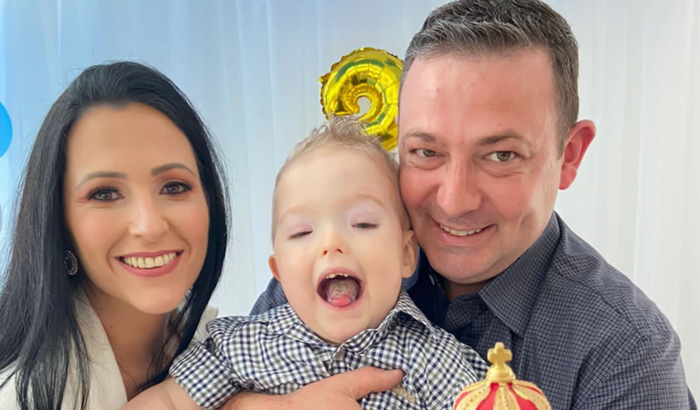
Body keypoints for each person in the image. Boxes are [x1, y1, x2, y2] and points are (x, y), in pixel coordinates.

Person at [243, 1, 697, 409]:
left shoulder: (627, 355)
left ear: (570, 155)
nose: (454, 201)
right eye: (426, 152)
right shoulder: (330, 266)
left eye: (501, 156)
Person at [122, 116, 487, 410]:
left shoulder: (434, 359)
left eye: (362, 224)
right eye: (301, 232)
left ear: (406, 254)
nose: (331, 244)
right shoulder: (242, 346)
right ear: (279, 272)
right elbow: (168, 402)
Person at [0, 61, 230, 410]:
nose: (149, 226)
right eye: (105, 193)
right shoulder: (25, 397)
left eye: (174, 186)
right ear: (59, 222)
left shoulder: (218, 342)